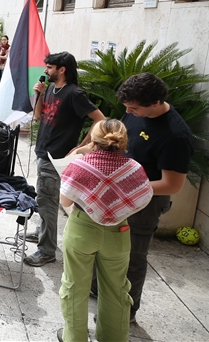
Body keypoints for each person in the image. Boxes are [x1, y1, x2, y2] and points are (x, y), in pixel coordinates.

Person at [82, 73, 193, 324]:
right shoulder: (133, 113)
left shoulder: (175, 135)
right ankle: (98, 290)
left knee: (132, 255)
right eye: (126, 107)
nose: (128, 113)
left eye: (133, 108)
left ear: (155, 103)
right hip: (115, 192)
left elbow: (172, 184)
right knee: (103, 244)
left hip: (144, 203)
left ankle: (124, 311)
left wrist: (127, 187)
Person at [58, 119, 153, 342]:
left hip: (82, 228)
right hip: (119, 232)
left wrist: (81, 152)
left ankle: (74, 337)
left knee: (75, 285)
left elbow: (65, 199)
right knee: (116, 289)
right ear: (124, 140)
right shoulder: (134, 168)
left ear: (93, 139)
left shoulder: (81, 165)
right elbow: (144, 198)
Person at [24, 52, 106, 267]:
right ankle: (43, 233)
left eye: (50, 67)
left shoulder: (74, 94)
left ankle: (47, 250)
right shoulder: (51, 88)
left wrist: (81, 147)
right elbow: (38, 116)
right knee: (44, 199)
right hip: (44, 151)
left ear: (62, 69)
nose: (45, 71)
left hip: (56, 156)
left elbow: (101, 121)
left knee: (48, 202)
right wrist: (39, 95)